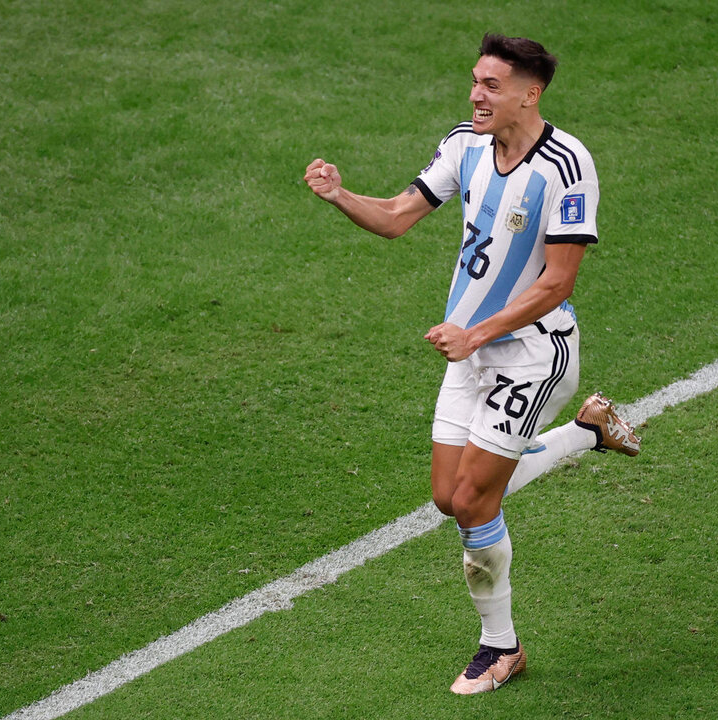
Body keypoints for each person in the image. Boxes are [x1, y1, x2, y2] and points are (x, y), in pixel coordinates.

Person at [303, 33, 641, 695]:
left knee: (473, 501)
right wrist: (341, 196)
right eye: (475, 82)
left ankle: (500, 647)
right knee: (447, 498)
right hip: (471, 347)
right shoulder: (465, 143)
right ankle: (588, 431)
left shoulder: (568, 166)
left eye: (489, 85)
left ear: (528, 93)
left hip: (534, 354)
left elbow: (558, 282)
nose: (474, 95)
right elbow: (400, 215)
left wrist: (475, 332)